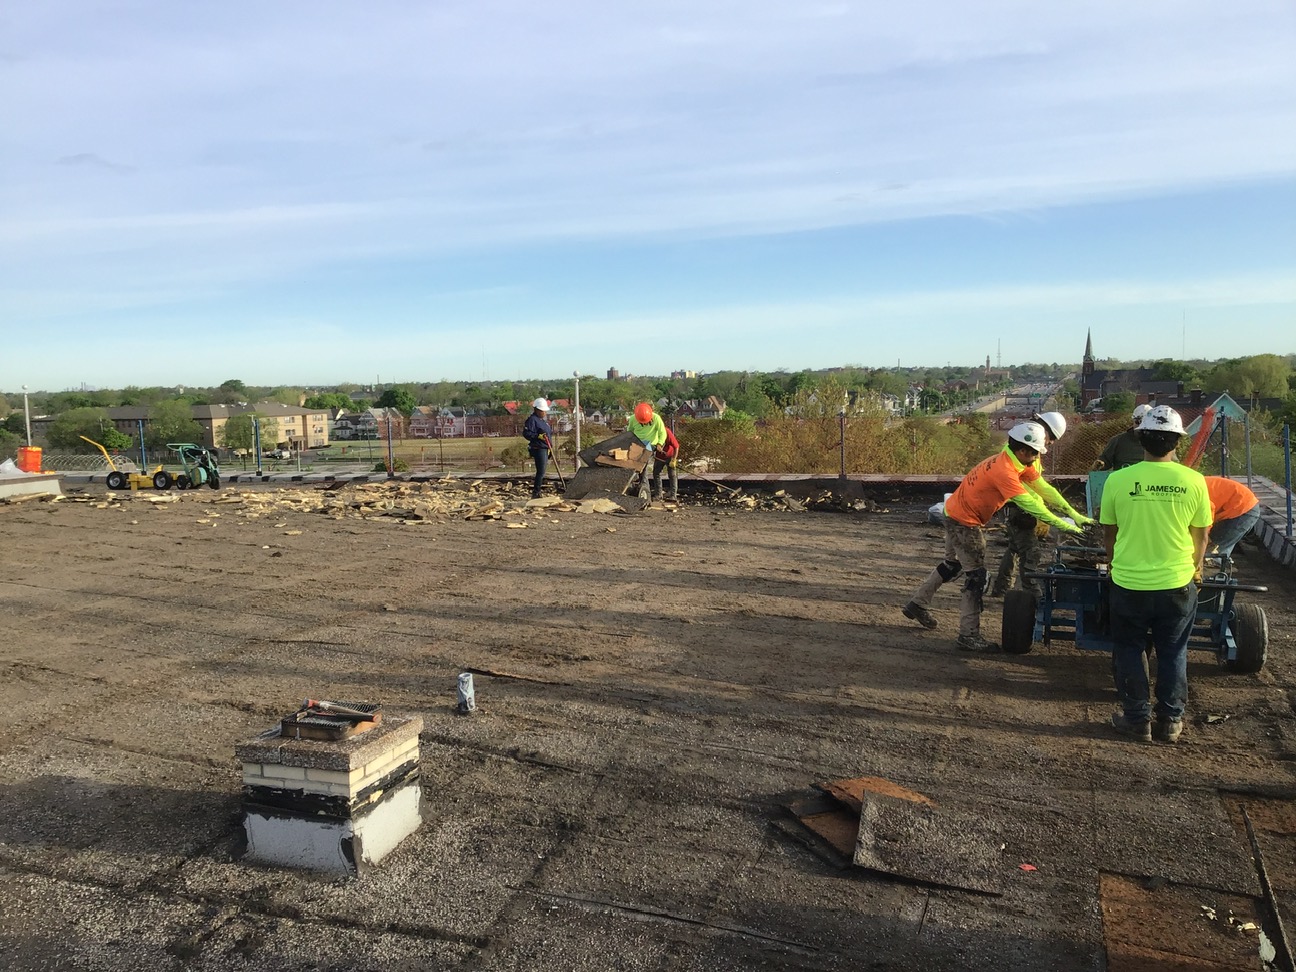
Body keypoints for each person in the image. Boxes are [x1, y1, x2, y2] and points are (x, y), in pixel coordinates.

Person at [902, 422, 1084, 652]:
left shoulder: (1010, 460)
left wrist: (1073, 514)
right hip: (964, 523)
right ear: (1024, 451)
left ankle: (917, 604)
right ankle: (969, 635)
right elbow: (1033, 507)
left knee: (951, 565)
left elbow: (1043, 488)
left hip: (953, 512)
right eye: (1036, 453)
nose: (1037, 457)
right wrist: (1066, 526)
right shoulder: (1005, 472)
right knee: (977, 577)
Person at [1101, 405, 1211, 744]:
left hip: (1129, 583)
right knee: (1174, 651)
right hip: (1176, 585)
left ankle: (1137, 719)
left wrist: (1115, 564)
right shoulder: (1194, 481)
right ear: (1177, 441)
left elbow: (1109, 532)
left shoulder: (1117, 481)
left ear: (1140, 438)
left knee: (1131, 649)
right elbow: (1202, 534)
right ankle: (1171, 722)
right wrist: (1196, 567)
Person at [990, 411, 1095, 598]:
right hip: (1020, 508)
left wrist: (1071, 513)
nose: (1051, 443)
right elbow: (1022, 488)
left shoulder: (1025, 446)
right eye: (1052, 437)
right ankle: (1030, 596)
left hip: (1017, 507)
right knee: (1031, 553)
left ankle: (1001, 588)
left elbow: (1041, 487)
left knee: (1015, 547)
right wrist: (1056, 519)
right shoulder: (1023, 451)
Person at [1203, 476, 1261, 561]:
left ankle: (1214, 567)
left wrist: (1205, 536)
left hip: (1242, 509)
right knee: (1207, 547)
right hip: (1235, 504)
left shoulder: (1192, 494)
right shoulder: (1185, 488)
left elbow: (1206, 516)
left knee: (1211, 552)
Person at [1093, 404, 1151, 471]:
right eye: (1138, 422)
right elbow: (1105, 461)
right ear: (1133, 421)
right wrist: (1100, 464)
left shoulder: (1159, 442)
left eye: (1146, 423)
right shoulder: (1118, 441)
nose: (1141, 426)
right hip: (1124, 478)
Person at [521, 398, 553, 499]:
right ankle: (536, 492)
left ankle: (537, 491)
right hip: (538, 448)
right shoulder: (532, 420)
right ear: (537, 410)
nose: (544, 413)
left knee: (542, 471)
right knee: (541, 471)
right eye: (542, 411)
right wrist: (537, 436)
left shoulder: (542, 421)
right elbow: (527, 433)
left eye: (544, 411)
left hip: (545, 447)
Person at [651, 425, 680, 502]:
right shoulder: (653, 433)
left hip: (670, 455)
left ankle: (673, 495)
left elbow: (676, 446)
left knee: (672, 475)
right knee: (656, 473)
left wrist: (673, 459)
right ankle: (658, 494)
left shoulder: (667, 432)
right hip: (659, 457)